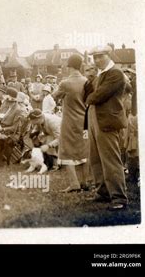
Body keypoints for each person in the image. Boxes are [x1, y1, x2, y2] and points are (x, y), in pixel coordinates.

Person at [85, 45, 128, 210]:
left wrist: (90, 97)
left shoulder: (115, 73)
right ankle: (103, 192)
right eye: (94, 57)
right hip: (96, 117)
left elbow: (98, 95)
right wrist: (90, 96)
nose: (96, 60)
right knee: (95, 158)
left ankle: (119, 198)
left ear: (108, 55)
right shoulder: (101, 74)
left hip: (107, 121)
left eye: (100, 56)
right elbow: (89, 93)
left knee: (111, 160)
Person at [53, 54, 90, 192]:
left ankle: (74, 183)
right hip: (85, 120)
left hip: (69, 121)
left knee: (66, 150)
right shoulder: (86, 81)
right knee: (84, 149)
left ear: (68, 66)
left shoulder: (65, 83)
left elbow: (54, 96)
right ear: (80, 66)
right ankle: (85, 182)